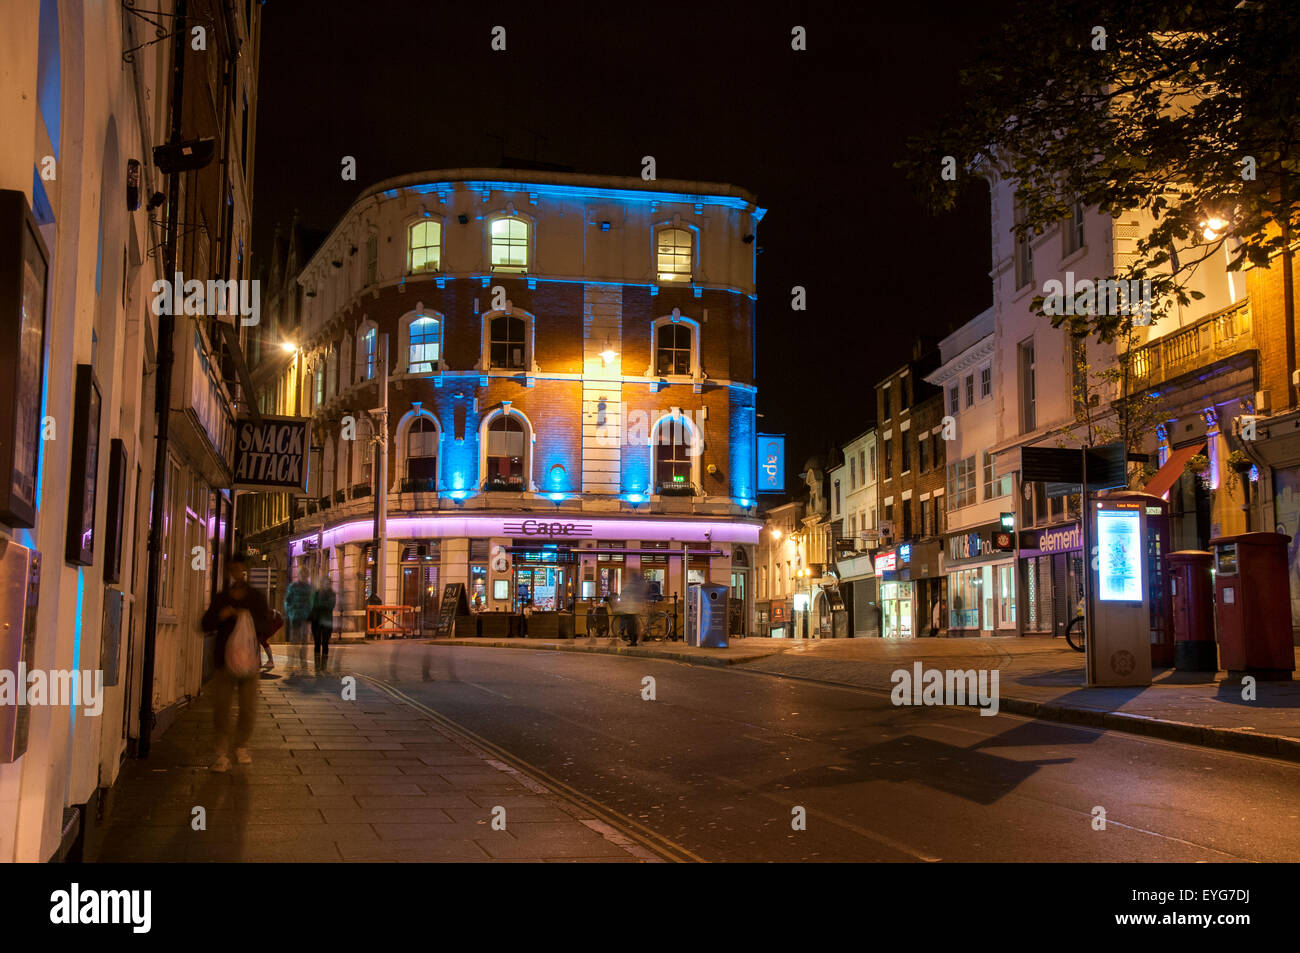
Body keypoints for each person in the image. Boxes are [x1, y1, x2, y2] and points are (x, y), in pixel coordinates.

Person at [200, 553, 272, 771]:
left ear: (246, 571)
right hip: (223, 661)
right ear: (228, 571)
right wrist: (221, 616)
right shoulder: (222, 598)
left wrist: (246, 617)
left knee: (248, 708)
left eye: (240, 569)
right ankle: (221, 753)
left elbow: (266, 626)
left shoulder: (256, 598)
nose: (237, 573)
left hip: (249, 661)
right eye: (232, 569)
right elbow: (205, 624)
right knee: (221, 708)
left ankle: (240, 745)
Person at [284, 570, 314, 674]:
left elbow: (312, 601)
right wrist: (290, 612)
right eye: (303, 575)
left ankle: (303, 664)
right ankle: (291, 663)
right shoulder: (293, 587)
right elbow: (287, 601)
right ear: (300, 575)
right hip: (296, 616)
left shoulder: (308, 588)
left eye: (306, 575)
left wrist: (311, 612)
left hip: (305, 617)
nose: (304, 577)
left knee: (304, 641)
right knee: (295, 640)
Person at [310, 573, 337, 673]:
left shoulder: (332, 594)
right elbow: (314, 605)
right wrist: (322, 605)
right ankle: (317, 667)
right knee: (317, 644)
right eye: (326, 583)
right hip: (316, 621)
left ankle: (324, 667)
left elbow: (331, 605)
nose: (328, 584)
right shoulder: (316, 593)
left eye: (329, 583)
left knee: (325, 644)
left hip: (327, 622)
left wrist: (321, 605)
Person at [617, 571, 649, 646]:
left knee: (636, 625)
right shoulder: (639, 585)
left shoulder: (633, 586)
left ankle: (636, 641)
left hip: (635, 608)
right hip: (636, 608)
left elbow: (630, 596)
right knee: (637, 625)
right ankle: (638, 641)